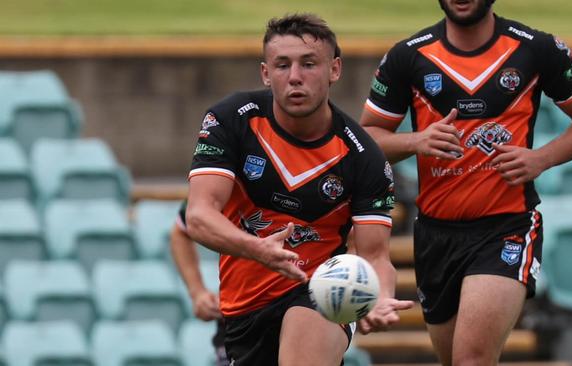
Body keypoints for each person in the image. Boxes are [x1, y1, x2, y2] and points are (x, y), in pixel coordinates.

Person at [359, 1, 572, 365]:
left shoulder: (535, 48)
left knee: (471, 359)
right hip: (435, 235)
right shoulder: (406, 57)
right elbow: (365, 139)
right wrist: (416, 140)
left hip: (506, 227)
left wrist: (541, 158)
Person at [185, 13, 414, 366]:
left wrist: (379, 295)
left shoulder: (363, 156)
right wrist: (258, 249)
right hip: (244, 308)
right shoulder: (231, 119)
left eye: (309, 64)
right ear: (265, 73)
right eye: (282, 65)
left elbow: (375, 255)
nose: (295, 77)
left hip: (322, 291)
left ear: (334, 70)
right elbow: (198, 216)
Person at [169, 199, 228, 365]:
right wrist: (198, 292)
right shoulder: (227, 179)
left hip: (295, 319)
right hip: (237, 327)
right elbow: (181, 230)